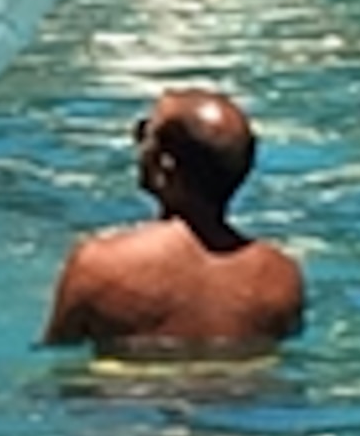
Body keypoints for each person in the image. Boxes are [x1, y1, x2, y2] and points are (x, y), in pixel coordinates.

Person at [42, 88, 306, 361]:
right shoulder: (281, 277)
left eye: (144, 133)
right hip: (241, 398)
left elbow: (57, 357)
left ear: (163, 164)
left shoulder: (98, 264)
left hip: (129, 397)